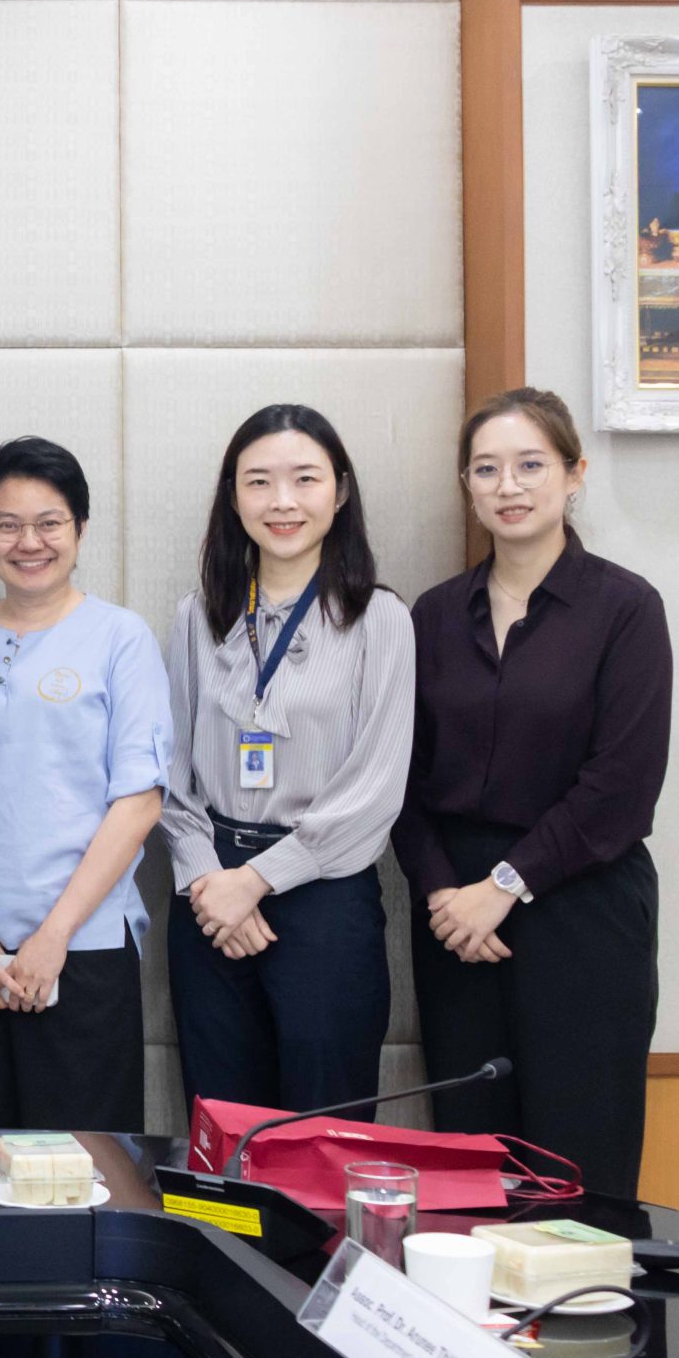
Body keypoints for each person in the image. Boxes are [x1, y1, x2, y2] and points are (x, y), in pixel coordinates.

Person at [393, 388, 671, 1197]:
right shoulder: (434, 615)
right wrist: (444, 892)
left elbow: (621, 785)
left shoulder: (625, 608)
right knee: (471, 1166)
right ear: (467, 486)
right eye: (486, 469)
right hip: (455, 924)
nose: (508, 486)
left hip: (581, 906)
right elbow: (400, 777)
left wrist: (504, 887)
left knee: (580, 1162)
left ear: (574, 474)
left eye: (529, 465)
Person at [162, 405, 414, 1116]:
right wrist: (209, 881)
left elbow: (375, 788)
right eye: (258, 482)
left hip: (323, 895)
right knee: (221, 1124)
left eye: (305, 479)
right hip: (209, 896)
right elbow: (170, 772)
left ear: (340, 490)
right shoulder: (197, 615)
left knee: (323, 1127)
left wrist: (257, 881)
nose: (282, 501)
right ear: (232, 496)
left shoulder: (381, 619)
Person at [0, 438, 172, 1133]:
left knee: (87, 1164)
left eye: (49, 523)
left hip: (83, 949)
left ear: (80, 528)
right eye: (7, 524)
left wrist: (53, 936)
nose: (28, 542)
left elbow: (139, 800)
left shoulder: (121, 637)